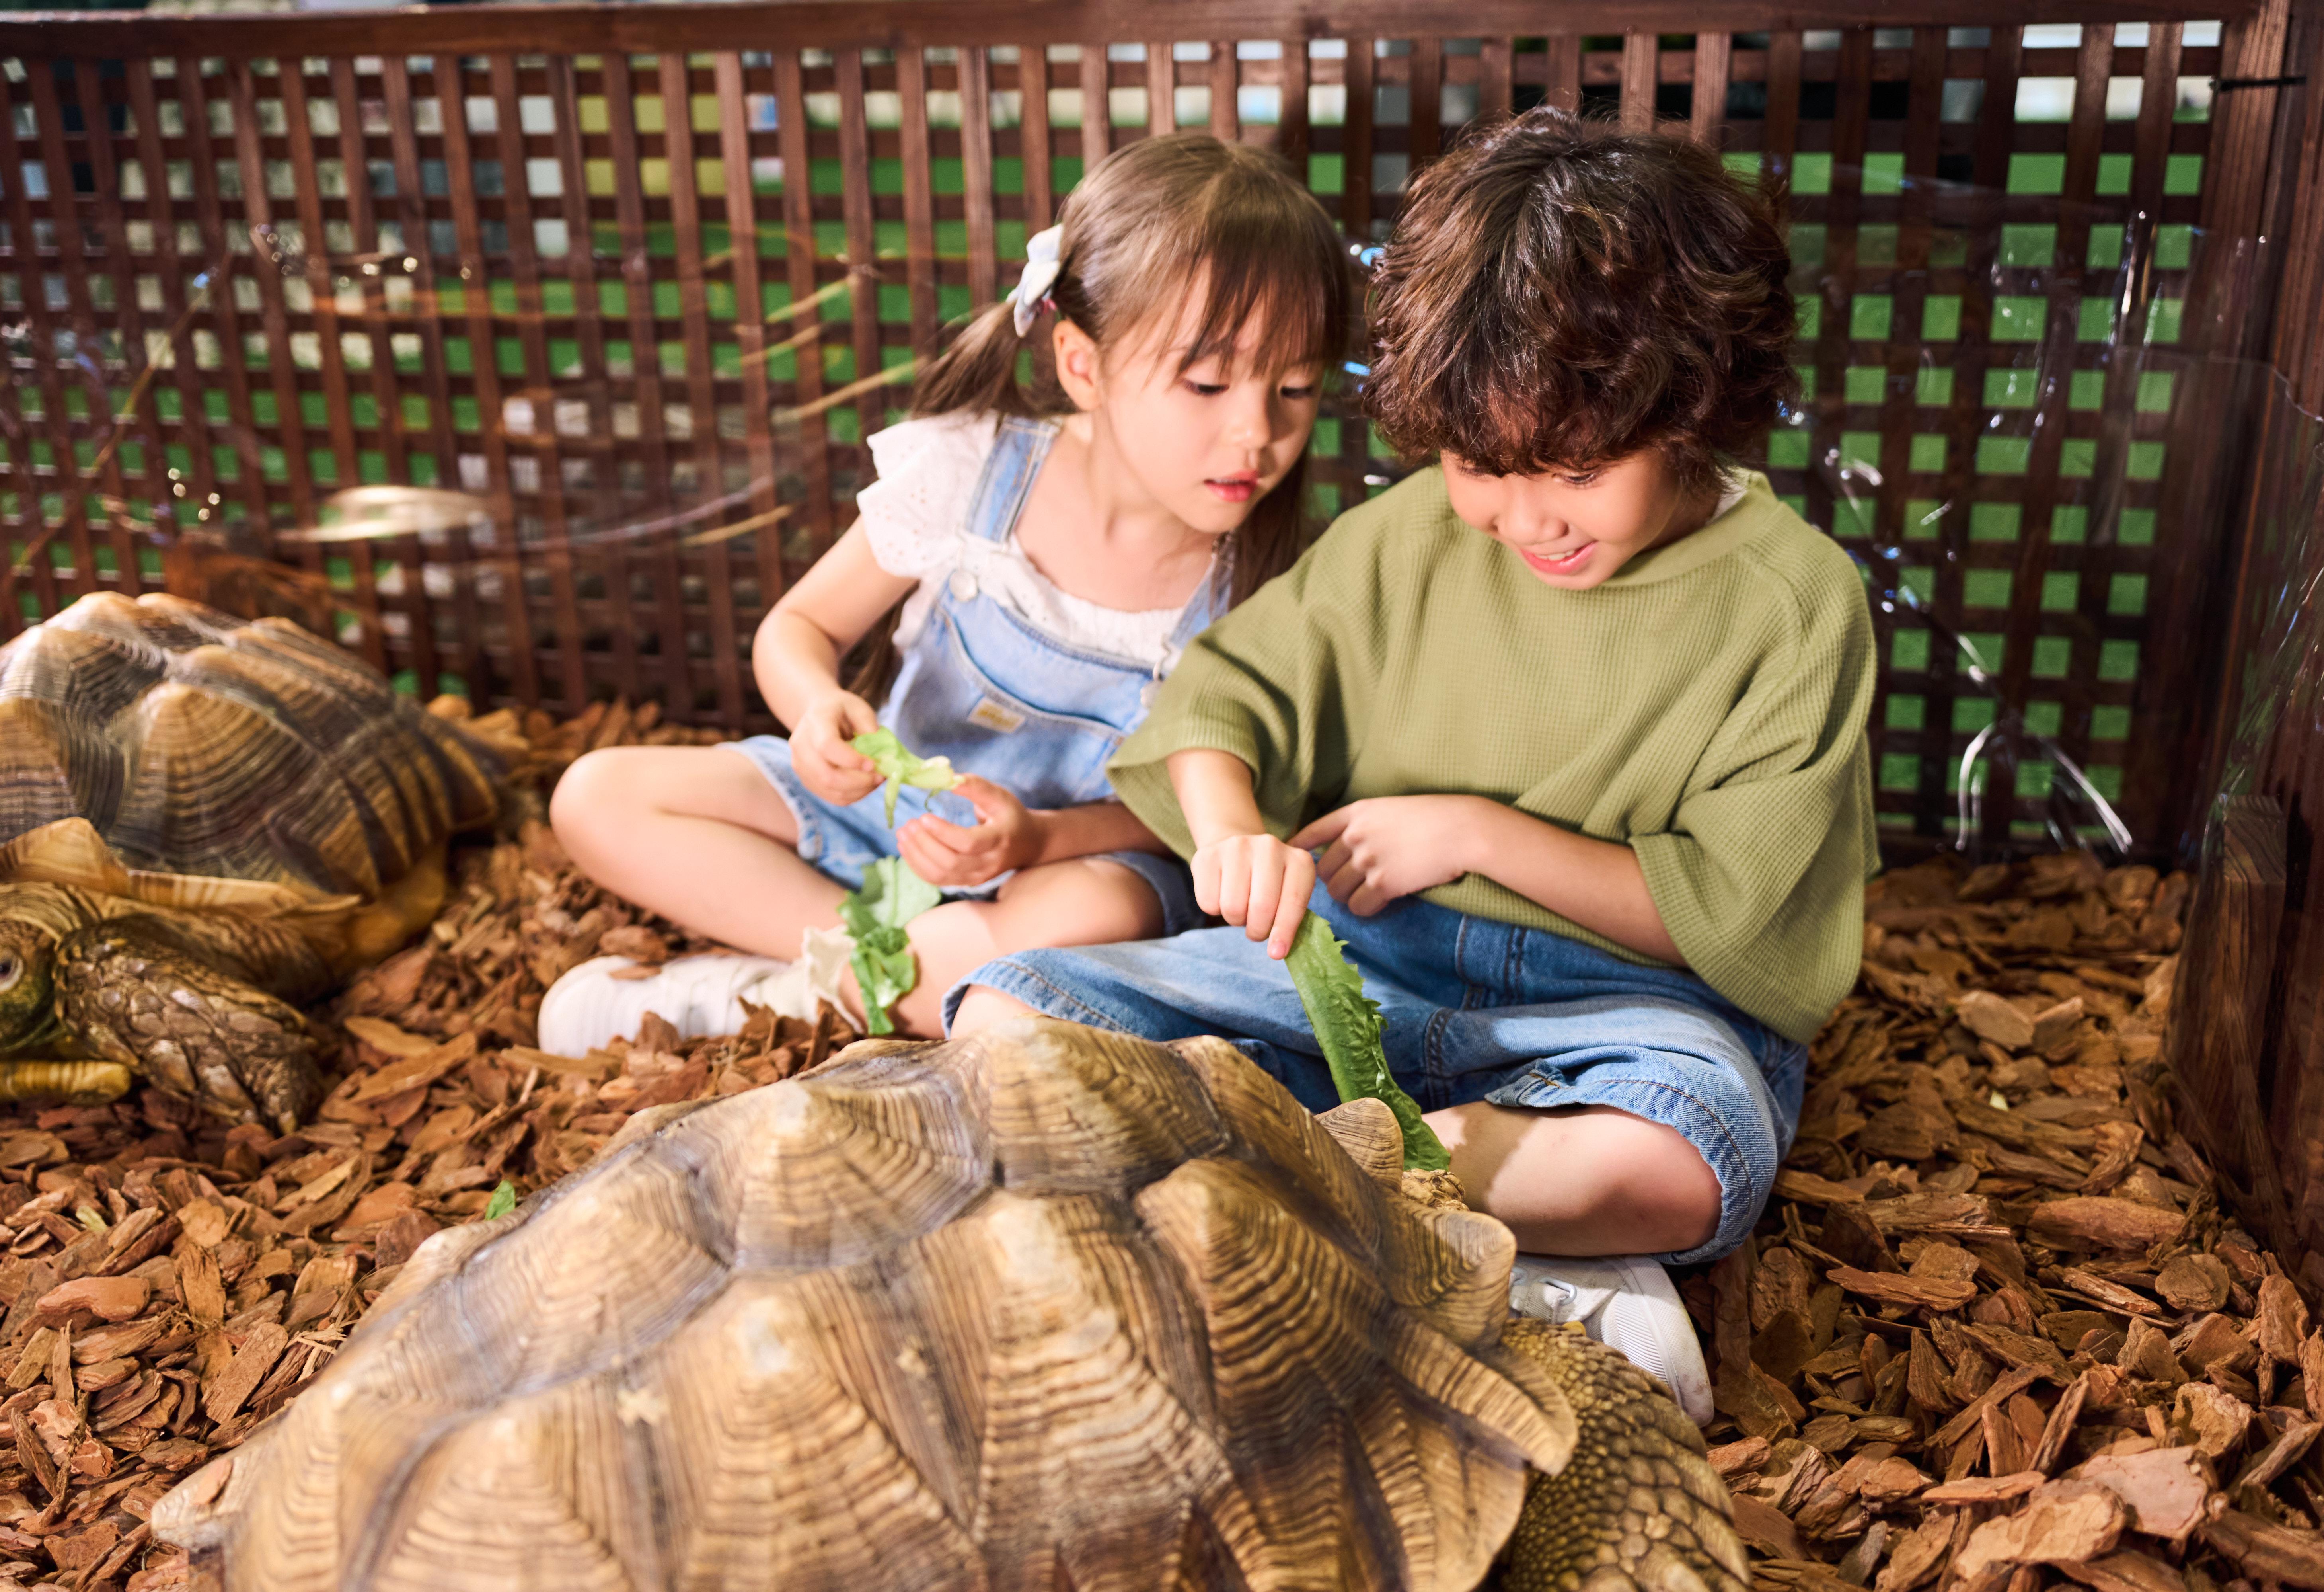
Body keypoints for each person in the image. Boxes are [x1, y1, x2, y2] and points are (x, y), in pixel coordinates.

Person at [947, 108, 1878, 1422]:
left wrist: (1479, 833)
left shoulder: (1792, 601)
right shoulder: (1407, 542)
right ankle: (1461, 1230)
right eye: (1478, 466)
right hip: (1357, 967)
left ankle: (1323, 1198)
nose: (1522, 516)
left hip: (1620, 1009)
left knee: (1677, 1158)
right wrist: (1230, 837)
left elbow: (1735, 923)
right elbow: (1222, 703)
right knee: (1006, 1018)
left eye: (1573, 468)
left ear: (1694, 401)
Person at [538, 133, 1349, 1048]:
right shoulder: (972, 471)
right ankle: (870, 975)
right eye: (1207, 382)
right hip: (886, 819)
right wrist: (814, 713)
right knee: (597, 795)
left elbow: (1196, 819)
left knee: (1097, 914)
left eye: (1295, 388)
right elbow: (798, 626)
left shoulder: (1266, 584)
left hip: (1060, 863)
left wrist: (1038, 840)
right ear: (1084, 365)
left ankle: (771, 997)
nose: (1257, 433)